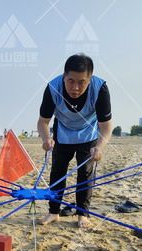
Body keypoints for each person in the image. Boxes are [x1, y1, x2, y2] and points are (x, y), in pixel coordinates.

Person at [37, 54, 113, 229]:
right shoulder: (52, 88)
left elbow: (106, 127)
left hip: (88, 134)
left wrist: (99, 148)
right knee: (57, 172)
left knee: (85, 175)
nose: (76, 87)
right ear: (64, 76)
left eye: (82, 82)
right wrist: (46, 138)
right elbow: (43, 122)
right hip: (62, 132)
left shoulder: (100, 88)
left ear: (90, 79)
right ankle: (54, 212)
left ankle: (82, 215)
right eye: (71, 81)